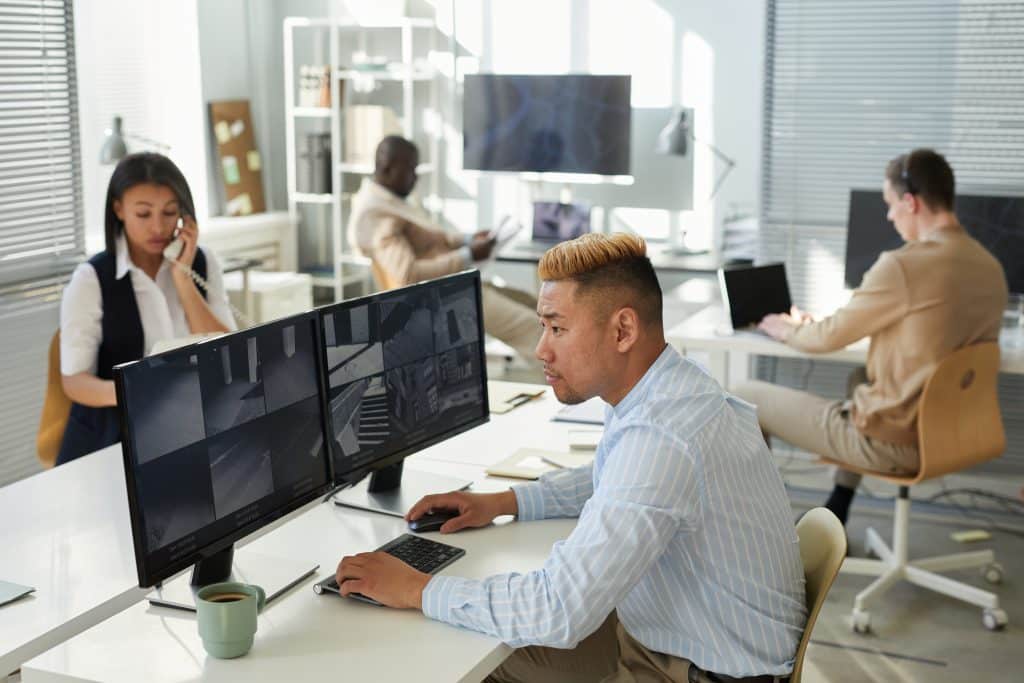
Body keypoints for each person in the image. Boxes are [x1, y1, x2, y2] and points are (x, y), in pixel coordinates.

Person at [335, 233, 807, 683]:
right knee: (474, 649)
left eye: (558, 328)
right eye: (543, 327)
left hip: (692, 670)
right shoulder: (669, 390)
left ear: (623, 329)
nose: (541, 349)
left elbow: (557, 609)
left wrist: (418, 588)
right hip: (682, 638)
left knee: (454, 660)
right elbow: (612, 477)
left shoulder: (662, 438)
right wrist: (504, 501)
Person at [734, 149, 1007, 526]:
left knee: (743, 395)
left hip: (894, 443)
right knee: (858, 379)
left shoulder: (903, 265)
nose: (889, 216)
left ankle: (768, 536)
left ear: (910, 203)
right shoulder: (990, 267)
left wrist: (787, 328)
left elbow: (828, 338)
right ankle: (839, 504)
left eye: (890, 205)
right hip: (954, 435)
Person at [58, 153, 235, 465]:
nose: (158, 227)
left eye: (169, 212)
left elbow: (226, 353)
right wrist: (137, 394)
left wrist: (183, 279)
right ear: (118, 209)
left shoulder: (202, 262)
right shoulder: (92, 279)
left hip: (191, 426)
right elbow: (74, 382)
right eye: (143, 214)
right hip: (115, 436)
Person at [347, 135, 539, 366]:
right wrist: (468, 255)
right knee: (535, 329)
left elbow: (432, 238)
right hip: (439, 299)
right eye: (411, 168)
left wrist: (469, 240)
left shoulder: (391, 199)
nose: (416, 177)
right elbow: (409, 275)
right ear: (388, 168)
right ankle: (566, 392)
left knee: (538, 307)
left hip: (457, 284)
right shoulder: (373, 214)